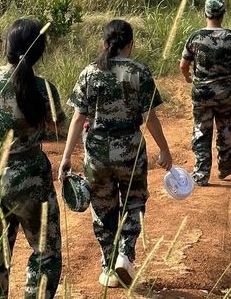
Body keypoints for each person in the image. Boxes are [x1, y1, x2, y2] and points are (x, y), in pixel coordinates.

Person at [60, 20, 172, 289]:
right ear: (130, 44)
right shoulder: (139, 72)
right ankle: (126, 254)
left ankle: (108, 266)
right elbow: (149, 117)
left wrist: (66, 157)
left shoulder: (89, 72)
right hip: (130, 149)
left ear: (104, 43)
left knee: (102, 207)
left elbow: (78, 118)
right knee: (134, 202)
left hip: (96, 151)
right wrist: (164, 149)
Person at [0, 18, 64, 299]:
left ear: (5, 45)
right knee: (45, 252)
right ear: (39, 52)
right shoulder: (45, 88)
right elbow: (59, 130)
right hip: (31, 180)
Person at [179, 0, 231, 186]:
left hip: (202, 91)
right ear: (223, 14)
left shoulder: (195, 37)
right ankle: (225, 166)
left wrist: (189, 78)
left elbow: (183, 65)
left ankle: (201, 174)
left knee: (201, 131)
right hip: (226, 91)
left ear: (206, 13)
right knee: (225, 127)